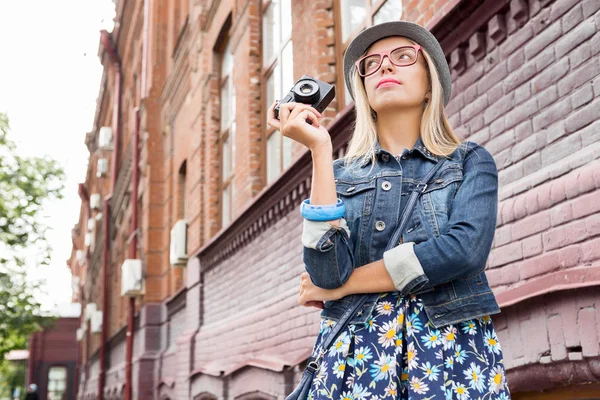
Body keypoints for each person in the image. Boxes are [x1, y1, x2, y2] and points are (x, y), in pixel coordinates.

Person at [267, 20, 511, 399]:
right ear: (363, 89)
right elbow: (326, 274)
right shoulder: (338, 174)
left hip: (447, 352)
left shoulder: (468, 162)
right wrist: (319, 150)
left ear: (430, 82)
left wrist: (347, 285)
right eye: (372, 62)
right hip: (354, 356)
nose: (384, 66)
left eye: (402, 56)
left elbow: (463, 251)